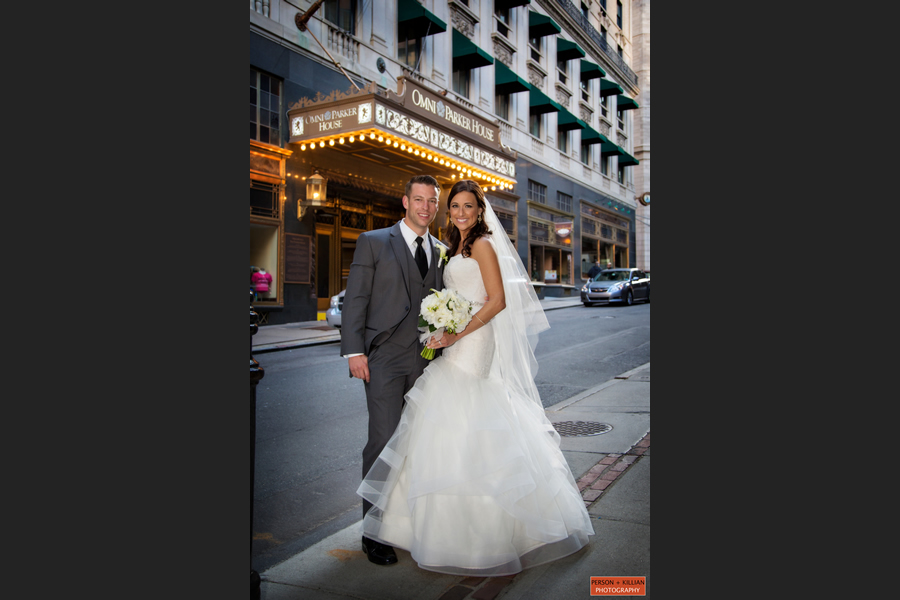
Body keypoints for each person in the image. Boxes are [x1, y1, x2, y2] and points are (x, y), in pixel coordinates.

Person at [357, 180, 594, 576]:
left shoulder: (481, 244)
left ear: (480, 211)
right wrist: (441, 324)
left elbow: (497, 300)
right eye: (454, 206)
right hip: (451, 341)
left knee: (468, 420)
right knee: (436, 426)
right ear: (446, 211)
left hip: (473, 342)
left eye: (468, 206)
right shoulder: (450, 248)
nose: (461, 212)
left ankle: (481, 534)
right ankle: (406, 526)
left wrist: (456, 331)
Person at [340, 174, 447, 566]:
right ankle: (373, 531)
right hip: (383, 358)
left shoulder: (441, 250)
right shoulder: (373, 241)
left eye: (431, 201)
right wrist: (354, 351)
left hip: (427, 362)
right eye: (418, 199)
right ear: (405, 202)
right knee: (383, 441)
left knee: (419, 442)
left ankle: (406, 521)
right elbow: (357, 299)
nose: (425, 207)